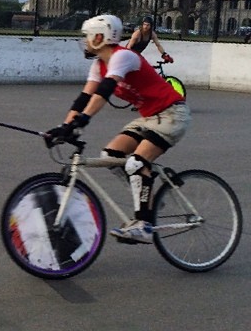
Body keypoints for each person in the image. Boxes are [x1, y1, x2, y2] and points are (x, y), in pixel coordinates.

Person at [45, 14, 191, 244]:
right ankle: (147, 195)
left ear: (100, 37)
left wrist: (82, 121)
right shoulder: (98, 65)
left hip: (172, 114)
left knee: (136, 162)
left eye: (87, 37)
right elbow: (84, 98)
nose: (85, 41)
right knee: (111, 156)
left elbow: (105, 91)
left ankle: (143, 225)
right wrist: (64, 127)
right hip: (150, 117)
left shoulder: (122, 56)